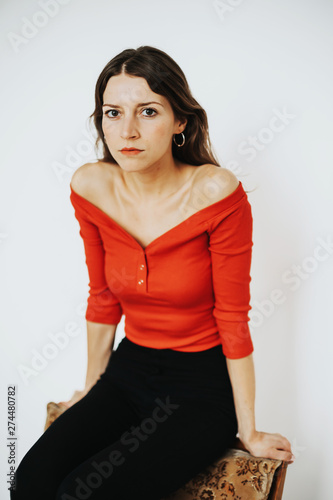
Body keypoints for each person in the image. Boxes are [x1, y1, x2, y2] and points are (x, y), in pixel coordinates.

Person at [10, 45, 293, 500]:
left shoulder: (215, 192)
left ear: (180, 121)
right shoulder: (91, 186)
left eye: (147, 111)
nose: (128, 131)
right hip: (128, 371)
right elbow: (102, 298)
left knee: (85, 493)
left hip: (201, 387)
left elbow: (233, 318)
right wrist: (89, 389)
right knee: (32, 482)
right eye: (112, 113)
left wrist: (250, 430)